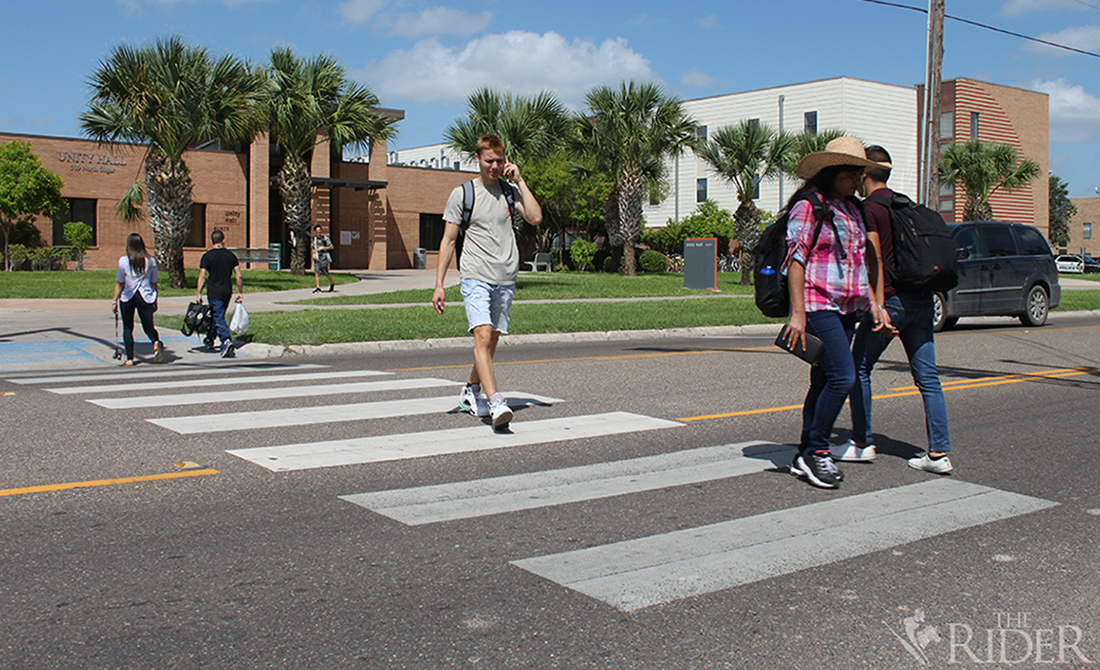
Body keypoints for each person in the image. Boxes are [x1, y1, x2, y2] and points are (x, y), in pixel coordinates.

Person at [783, 136, 892, 488]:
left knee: (825, 380)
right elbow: (796, 259)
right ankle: (818, 451)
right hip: (817, 304)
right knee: (844, 377)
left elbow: (867, 260)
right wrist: (798, 313)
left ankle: (804, 453)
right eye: (849, 174)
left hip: (848, 308)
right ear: (830, 173)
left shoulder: (856, 209)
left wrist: (875, 303)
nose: (857, 180)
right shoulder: (810, 205)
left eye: (860, 173)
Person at [839, 145, 954, 474]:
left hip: (892, 302)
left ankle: (861, 443)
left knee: (857, 368)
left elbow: (873, 258)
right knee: (929, 379)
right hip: (922, 300)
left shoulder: (870, 209)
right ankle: (938, 454)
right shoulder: (906, 204)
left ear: (864, 174)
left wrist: (877, 305)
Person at [432, 134, 543, 430]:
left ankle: (471, 390)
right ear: (478, 160)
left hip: (505, 277)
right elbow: (449, 239)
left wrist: (520, 181)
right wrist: (439, 284)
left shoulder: (510, 191)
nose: (494, 166)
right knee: (482, 337)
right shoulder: (464, 194)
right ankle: (496, 403)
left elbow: (535, 217)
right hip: (475, 275)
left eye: (499, 160)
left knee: (491, 340)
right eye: (488, 160)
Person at [111, 233, 165, 366]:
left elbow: (120, 283)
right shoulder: (151, 261)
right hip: (145, 296)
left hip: (128, 296)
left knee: (128, 327)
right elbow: (154, 283)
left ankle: (129, 358)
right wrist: (155, 300)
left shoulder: (124, 260)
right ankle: (155, 341)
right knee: (148, 326)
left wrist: (114, 300)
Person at [195, 229, 243, 358]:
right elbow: (238, 275)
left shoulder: (207, 256)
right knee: (218, 315)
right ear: (223, 240)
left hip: (214, 291)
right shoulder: (231, 256)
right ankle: (209, 339)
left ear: (211, 241)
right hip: (227, 291)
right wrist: (240, 292)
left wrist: (198, 293)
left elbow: (203, 275)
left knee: (218, 316)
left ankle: (226, 340)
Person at [312, 225, 336, 293]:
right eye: (317, 230)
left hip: (324, 257)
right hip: (317, 257)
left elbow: (331, 247)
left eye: (319, 230)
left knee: (325, 272)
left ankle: (332, 283)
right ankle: (317, 287)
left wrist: (323, 248)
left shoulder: (325, 238)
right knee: (316, 272)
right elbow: (313, 247)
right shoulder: (314, 239)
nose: (318, 232)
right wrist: (313, 254)